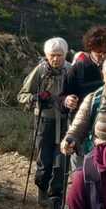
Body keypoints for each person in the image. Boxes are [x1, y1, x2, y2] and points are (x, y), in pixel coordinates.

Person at [17, 37, 70, 194]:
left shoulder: (71, 70)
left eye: (59, 55)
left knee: (61, 162)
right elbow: (22, 95)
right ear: (47, 55)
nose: (56, 59)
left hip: (66, 121)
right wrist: (36, 98)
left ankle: (56, 196)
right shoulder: (40, 71)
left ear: (65, 55)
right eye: (52, 55)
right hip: (44, 120)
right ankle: (42, 190)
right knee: (44, 160)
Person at [64, 25, 106, 111]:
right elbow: (63, 95)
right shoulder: (78, 68)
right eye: (99, 52)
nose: (103, 56)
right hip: (84, 116)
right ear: (90, 49)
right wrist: (67, 100)